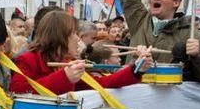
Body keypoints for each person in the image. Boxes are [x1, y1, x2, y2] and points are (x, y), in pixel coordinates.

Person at [10, 11, 152, 95]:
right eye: (73, 33)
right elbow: (19, 93)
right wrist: (63, 77)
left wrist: (136, 69)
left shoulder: (67, 62)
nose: (78, 38)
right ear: (61, 36)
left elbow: (101, 84)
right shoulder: (27, 59)